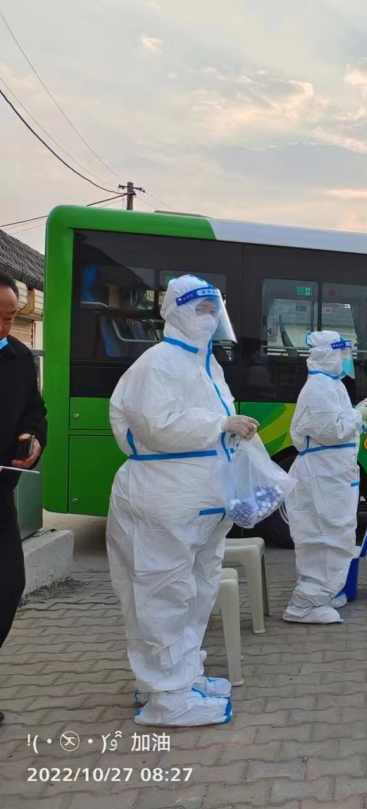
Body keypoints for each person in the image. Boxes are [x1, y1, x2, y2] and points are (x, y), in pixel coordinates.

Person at [106, 275, 260, 727]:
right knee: (161, 595)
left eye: (215, 310)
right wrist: (220, 425)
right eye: (201, 309)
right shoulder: (158, 363)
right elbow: (158, 426)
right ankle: (166, 698)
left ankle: (182, 676)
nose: (210, 319)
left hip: (199, 503)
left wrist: (231, 432)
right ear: (175, 311)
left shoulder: (206, 365)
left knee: (195, 593)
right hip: (163, 499)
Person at [283, 331, 367, 624]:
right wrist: (358, 415)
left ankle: (324, 593)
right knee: (323, 537)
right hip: (323, 476)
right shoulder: (318, 387)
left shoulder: (331, 384)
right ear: (327, 354)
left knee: (336, 535)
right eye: (343, 353)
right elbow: (332, 430)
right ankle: (304, 605)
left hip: (332, 475)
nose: (347, 359)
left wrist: (356, 415)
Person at [0, 272, 47, 726]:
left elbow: (36, 411)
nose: (3, 326)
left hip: (1, 496)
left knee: (9, 586)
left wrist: (34, 438)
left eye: (10, 317)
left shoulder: (18, 357)